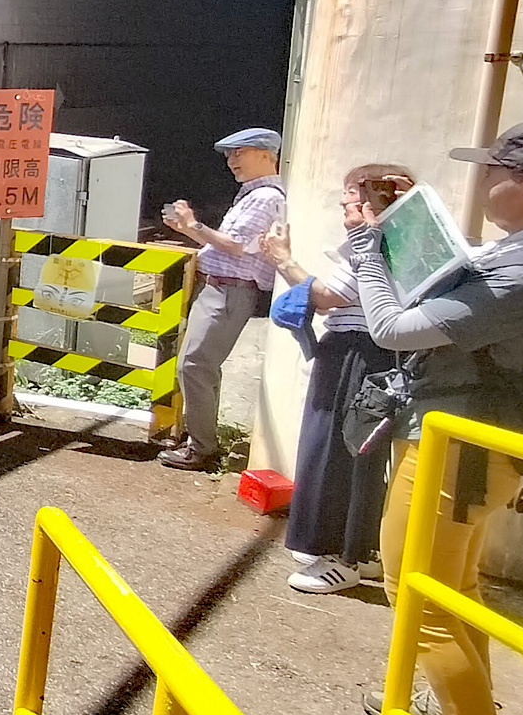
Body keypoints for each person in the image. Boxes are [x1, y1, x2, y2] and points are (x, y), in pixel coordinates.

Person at [347, 121, 523, 715]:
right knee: (453, 586)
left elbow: (393, 328)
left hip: (459, 447)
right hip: (478, 443)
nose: (482, 182)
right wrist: (402, 219)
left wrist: (366, 247)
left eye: (493, 172)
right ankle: (457, 701)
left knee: (413, 589)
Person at [260, 164, 416, 594]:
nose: (344, 204)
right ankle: (358, 552)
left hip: (356, 355)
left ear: (373, 200)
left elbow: (330, 298)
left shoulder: (375, 241)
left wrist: (283, 259)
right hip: (370, 355)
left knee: (333, 453)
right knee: (356, 457)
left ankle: (339, 557)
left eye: (351, 195)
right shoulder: (400, 240)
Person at [159, 128, 288, 470]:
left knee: (194, 365)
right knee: (199, 365)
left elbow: (236, 246)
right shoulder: (254, 194)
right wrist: (188, 229)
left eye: (239, 153)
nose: (232, 161)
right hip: (222, 288)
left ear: (266, 154)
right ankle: (200, 441)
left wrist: (194, 226)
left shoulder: (265, 197)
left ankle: (201, 448)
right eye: (229, 155)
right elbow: (228, 245)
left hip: (229, 290)